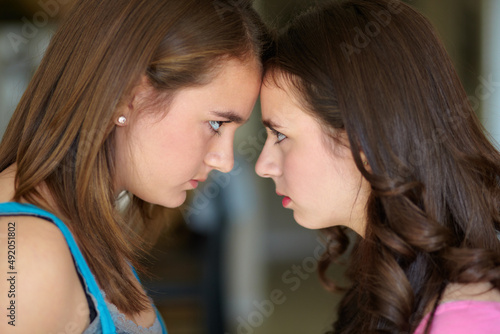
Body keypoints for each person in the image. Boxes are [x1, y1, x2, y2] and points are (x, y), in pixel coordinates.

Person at [0, 0, 270, 333]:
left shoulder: (78, 220)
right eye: (215, 124)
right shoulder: (25, 254)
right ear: (127, 96)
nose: (225, 161)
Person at [255, 0, 500, 333]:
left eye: (280, 135)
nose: (263, 166)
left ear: (362, 137)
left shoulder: (461, 322)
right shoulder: (393, 279)